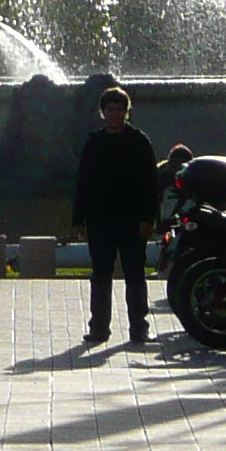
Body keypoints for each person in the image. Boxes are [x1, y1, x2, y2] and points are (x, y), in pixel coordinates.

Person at [72, 86, 162, 347]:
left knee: (135, 275)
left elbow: (150, 183)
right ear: (103, 113)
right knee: (100, 276)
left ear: (127, 111)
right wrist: (79, 220)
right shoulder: (94, 142)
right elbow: (83, 183)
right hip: (100, 220)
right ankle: (98, 328)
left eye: (120, 110)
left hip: (132, 220)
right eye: (110, 110)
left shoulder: (139, 141)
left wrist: (149, 218)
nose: (115, 114)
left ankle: (139, 328)